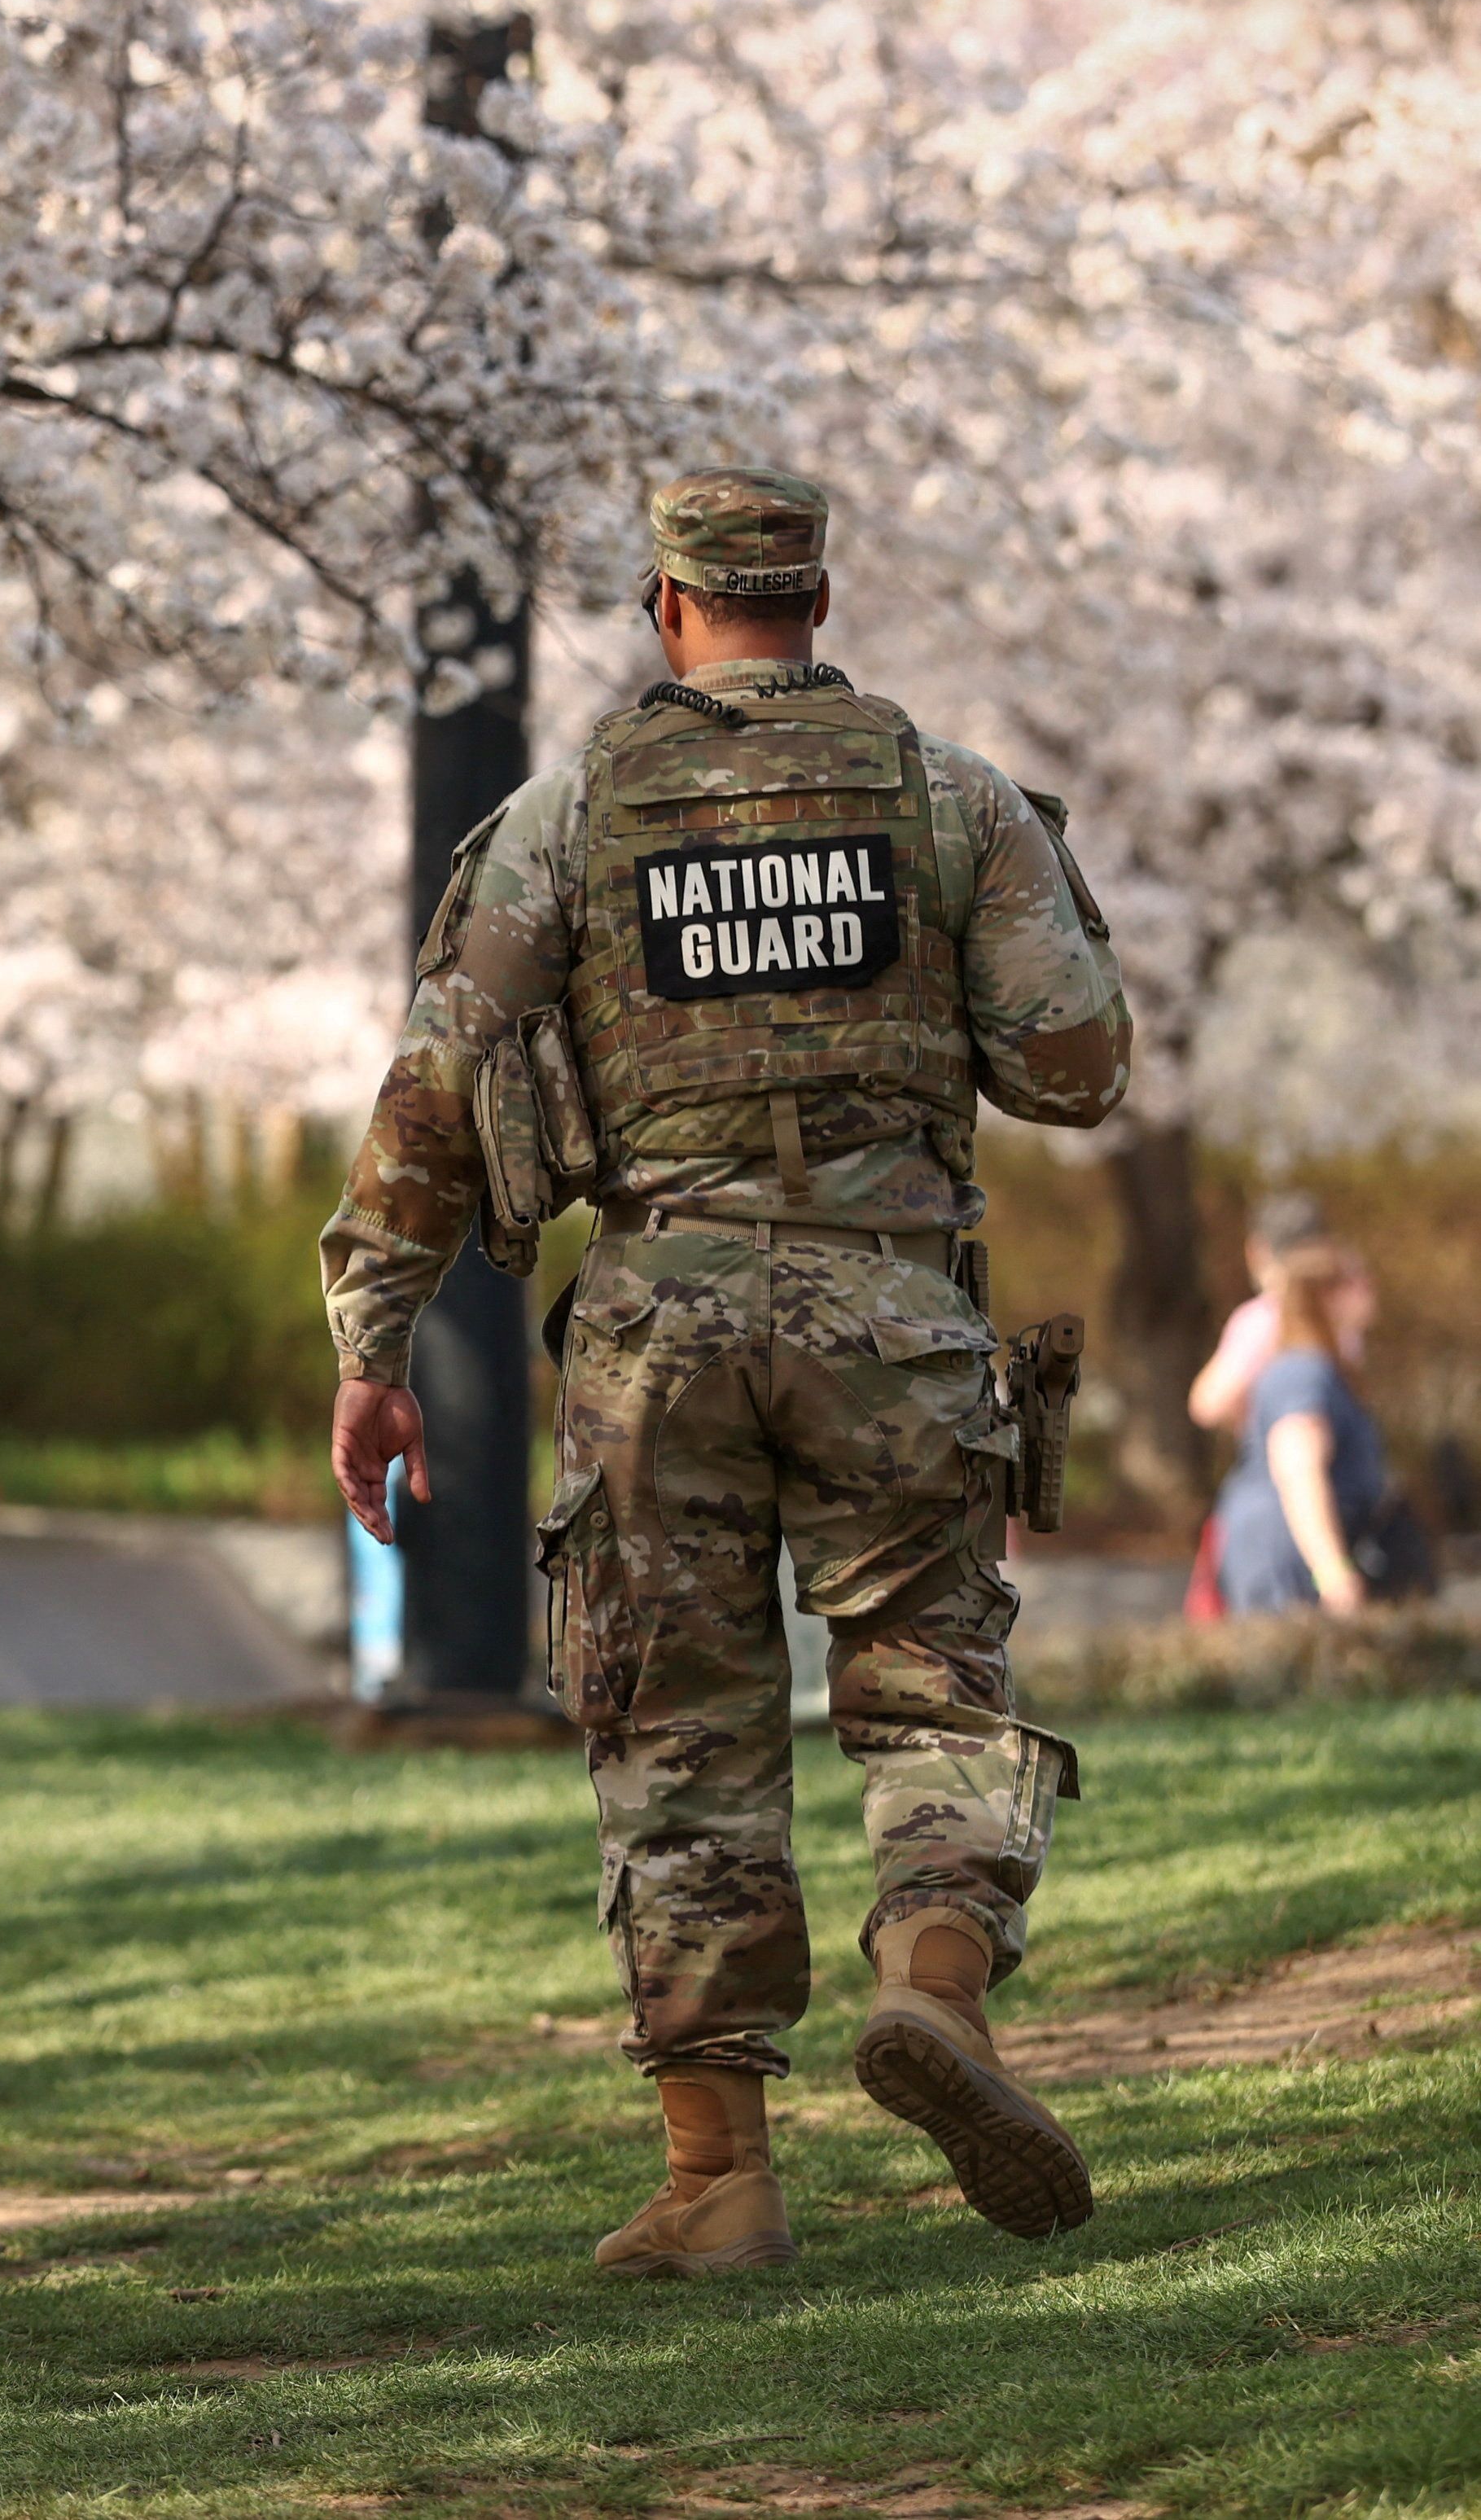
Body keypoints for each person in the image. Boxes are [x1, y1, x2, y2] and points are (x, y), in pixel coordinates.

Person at [320, 468, 1133, 2278]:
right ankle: (934, 1984)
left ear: (662, 603)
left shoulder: (570, 812)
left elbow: (437, 1077)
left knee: (676, 1742)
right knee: (931, 1690)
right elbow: (1074, 1067)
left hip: (655, 1329)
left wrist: (370, 1337)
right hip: (893, 1312)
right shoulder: (943, 796)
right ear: (816, 594)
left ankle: (719, 2180)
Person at [1214, 1243, 1396, 1618]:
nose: (1371, 1288)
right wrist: (1331, 1569)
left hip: (1293, 1555)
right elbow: (1299, 1472)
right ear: (1326, 1295)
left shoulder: (1319, 1367)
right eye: (1360, 1281)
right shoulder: (1303, 1372)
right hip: (1286, 1560)